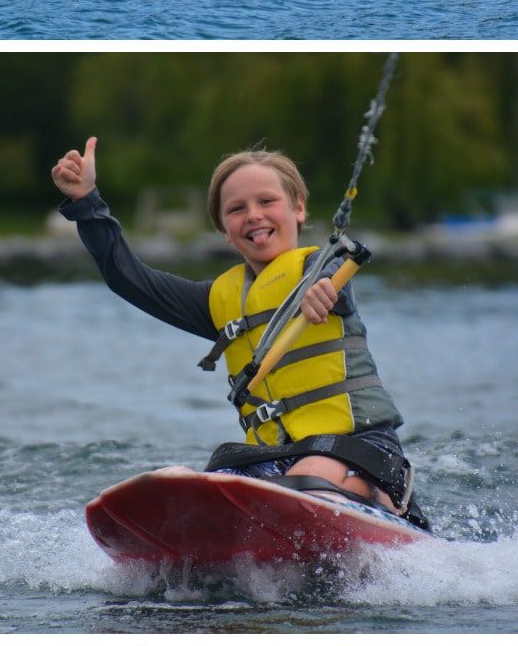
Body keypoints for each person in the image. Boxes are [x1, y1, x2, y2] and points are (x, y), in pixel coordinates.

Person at [51, 138, 424, 523]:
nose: (253, 216)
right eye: (236, 209)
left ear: (298, 208)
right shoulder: (217, 302)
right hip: (273, 460)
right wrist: (86, 201)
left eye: (267, 202)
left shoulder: (326, 267)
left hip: (357, 446)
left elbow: (336, 280)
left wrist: (323, 288)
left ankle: (379, 499)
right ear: (224, 230)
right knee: (200, 487)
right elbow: (127, 277)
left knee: (310, 477)